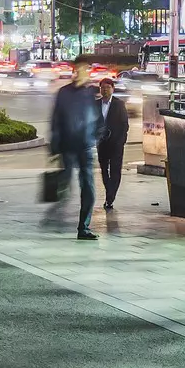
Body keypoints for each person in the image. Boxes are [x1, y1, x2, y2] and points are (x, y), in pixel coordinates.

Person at [48, 60, 103, 240]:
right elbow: (56, 120)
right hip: (67, 145)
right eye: (78, 69)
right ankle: (57, 205)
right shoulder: (64, 93)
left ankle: (83, 227)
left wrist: (96, 137)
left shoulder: (92, 93)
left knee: (88, 186)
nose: (81, 72)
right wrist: (54, 146)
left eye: (84, 69)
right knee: (65, 179)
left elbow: (99, 119)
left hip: (85, 146)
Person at [95, 76, 130, 211]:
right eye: (103, 88)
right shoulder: (96, 104)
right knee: (104, 170)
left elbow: (124, 124)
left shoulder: (119, 104)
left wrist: (121, 141)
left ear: (112, 89)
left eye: (108, 88)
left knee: (115, 171)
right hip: (102, 143)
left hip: (116, 144)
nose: (105, 90)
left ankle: (110, 197)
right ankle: (109, 191)